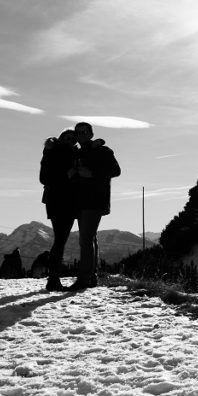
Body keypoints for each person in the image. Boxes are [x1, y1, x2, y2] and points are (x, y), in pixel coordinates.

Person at [67, 121, 121, 291]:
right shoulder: (78, 153)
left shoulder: (103, 151)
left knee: (85, 239)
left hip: (95, 200)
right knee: (89, 238)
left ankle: (84, 279)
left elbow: (116, 170)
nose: (80, 135)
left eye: (84, 132)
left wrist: (92, 174)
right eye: (78, 132)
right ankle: (91, 277)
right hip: (80, 201)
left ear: (91, 134)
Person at [39, 129, 79, 291]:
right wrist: (67, 176)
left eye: (72, 138)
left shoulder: (74, 153)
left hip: (69, 201)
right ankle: (53, 279)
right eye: (66, 137)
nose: (69, 140)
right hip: (57, 200)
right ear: (61, 138)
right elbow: (44, 178)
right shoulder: (52, 151)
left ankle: (54, 279)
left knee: (61, 240)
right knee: (60, 239)